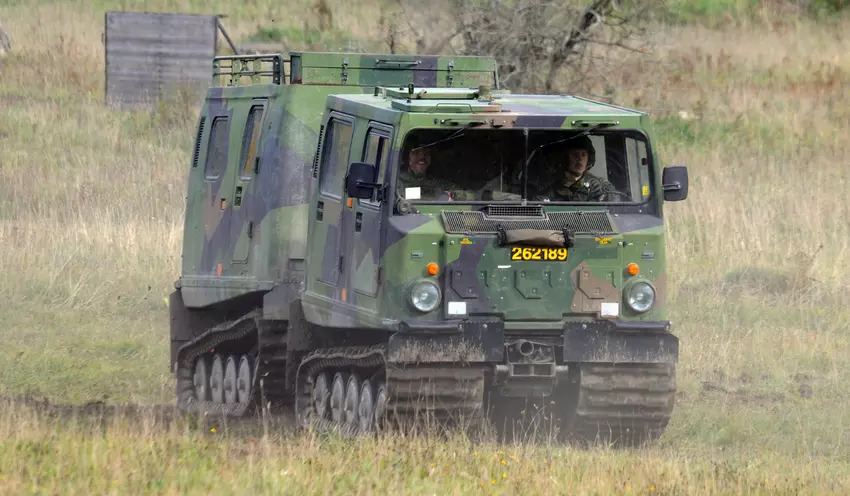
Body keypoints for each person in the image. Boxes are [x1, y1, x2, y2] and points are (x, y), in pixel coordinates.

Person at [532, 135, 619, 202]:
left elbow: (615, 214)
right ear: (564, 158)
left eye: (584, 155)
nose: (580, 159)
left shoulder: (601, 188)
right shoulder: (549, 190)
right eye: (575, 155)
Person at [396, 144, 475, 201]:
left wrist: (455, 195)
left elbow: (471, 195)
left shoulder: (437, 182)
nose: (422, 157)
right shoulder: (397, 181)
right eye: (416, 152)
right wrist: (436, 193)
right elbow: (401, 194)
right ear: (408, 158)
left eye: (426, 153)